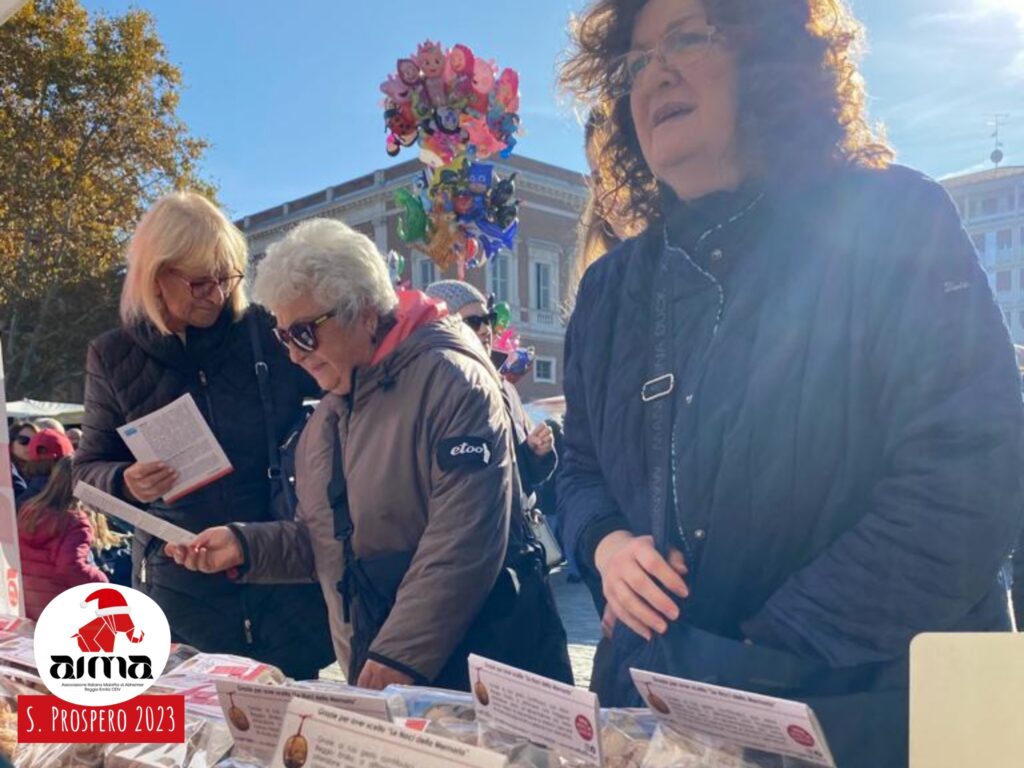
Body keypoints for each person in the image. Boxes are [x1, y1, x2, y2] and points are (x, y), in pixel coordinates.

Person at [557, 1, 1024, 765]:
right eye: (635, 61)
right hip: (656, 714)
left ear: (771, 55)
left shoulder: (894, 219)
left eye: (687, 37)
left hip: (867, 714)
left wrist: (759, 658)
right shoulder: (610, 290)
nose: (655, 75)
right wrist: (603, 545)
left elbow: (965, 483)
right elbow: (578, 467)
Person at [166, 219, 572, 691]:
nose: (294, 356)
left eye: (303, 333)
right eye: (282, 338)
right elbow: (328, 543)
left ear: (361, 312)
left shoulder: (452, 380)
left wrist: (394, 660)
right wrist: (245, 545)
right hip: (393, 673)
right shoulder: (328, 417)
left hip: (478, 673)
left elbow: (464, 539)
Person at [73, 191, 333, 679]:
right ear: (156, 275)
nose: (214, 294)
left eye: (225, 277)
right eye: (198, 282)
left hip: (282, 581)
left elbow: (336, 382)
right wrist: (126, 481)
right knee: (197, 741)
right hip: (182, 591)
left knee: (292, 737)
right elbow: (86, 470)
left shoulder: (263, 331)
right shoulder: (112, 354)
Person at [424, 280, 558, 499]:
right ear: (445, 326)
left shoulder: (505, 386)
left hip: (511, 527)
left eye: (489, 319)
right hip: (467, 527)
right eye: (473, 322)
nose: (486, 329)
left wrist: (535, 452)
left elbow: (519, 477)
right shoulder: (437, 388)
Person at [18, 456, 109, 620]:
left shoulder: (29, 510)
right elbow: (70, 566)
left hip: (25, 604)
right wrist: (101, 581)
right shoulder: (75, 522)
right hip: (57, 608)